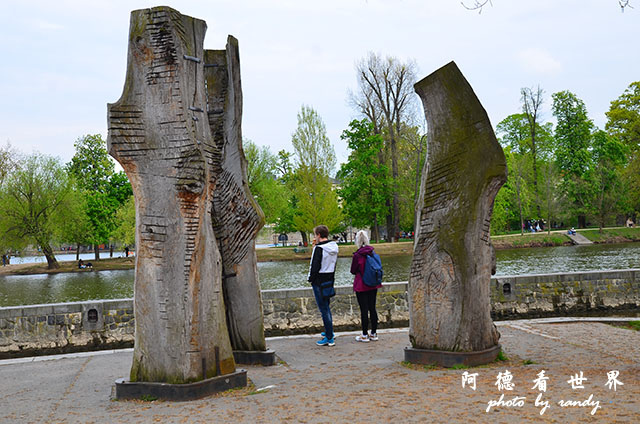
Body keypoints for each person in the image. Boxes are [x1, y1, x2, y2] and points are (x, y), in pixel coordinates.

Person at [308, 225, 339, 347]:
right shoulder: (334, 247)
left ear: (319, 235)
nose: (315, 237)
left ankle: (329, 337)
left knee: (323, 309)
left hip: (319, 280)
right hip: (329, 278)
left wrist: (311, 279)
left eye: (315, 234)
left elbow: (315, 266)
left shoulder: (319, 249)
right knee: (327, 306)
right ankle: (329, 331)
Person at [350, 230, 383, 342]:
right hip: (373, 284)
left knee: (364, 310)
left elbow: (353, 270)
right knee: (372, 308)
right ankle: (374, 333)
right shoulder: (373, 253)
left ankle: (364, 334)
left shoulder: (358, 255)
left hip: (361, 285)